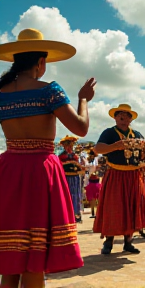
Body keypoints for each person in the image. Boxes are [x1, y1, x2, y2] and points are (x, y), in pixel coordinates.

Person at [0, 28, 96, 288]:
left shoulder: (1, 93)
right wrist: (83, 100)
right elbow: (80, 128)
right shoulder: (49, 91)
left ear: (15, 61)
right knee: (34, 255)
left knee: (10, 255)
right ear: (41, 63)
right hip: (40, 171)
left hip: (8, 169)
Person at [93, 104, 145, 254]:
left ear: (131, 119)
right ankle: (109, 241)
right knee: (113, 208)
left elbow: (144, 154)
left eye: (127, 116)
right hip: (116, 174)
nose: (123, 119)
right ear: (115, 117)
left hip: (134, 175)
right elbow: (98, 149)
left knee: (133, 207)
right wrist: (115, 146)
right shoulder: (109, 133)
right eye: (120, 116)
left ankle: (128, 241)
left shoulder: (137, 134)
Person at [59, 135, 84, 223]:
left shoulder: (74, 155)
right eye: (69, 145)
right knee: (68, 194)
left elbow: (79, 164)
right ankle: (67, 214)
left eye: (71, 145)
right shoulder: (62, 155)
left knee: (76, 195)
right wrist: (69, 162)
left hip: (75, 177)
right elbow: (59, 164)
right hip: (66, 177)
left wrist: (80, 166)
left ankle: (76, 214)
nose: (70, 147)